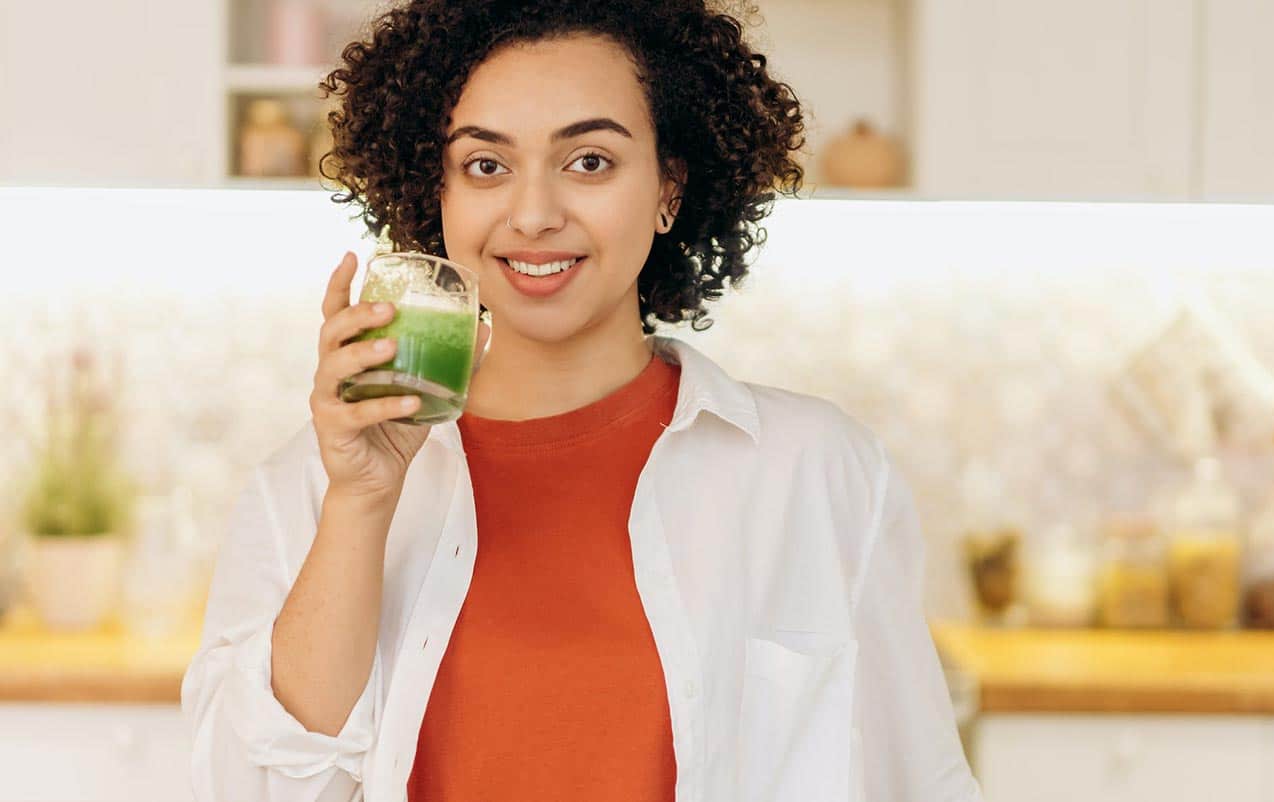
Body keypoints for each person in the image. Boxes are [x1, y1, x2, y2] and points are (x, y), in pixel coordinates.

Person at [180, 1, 983, 800]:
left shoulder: (817, 471)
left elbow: (918, 782)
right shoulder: (309, 492)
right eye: (486, 166)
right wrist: (360, 506)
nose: (533, 215)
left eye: (589, 161)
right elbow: (248, 789)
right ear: (440, 197)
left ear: (670, 186)